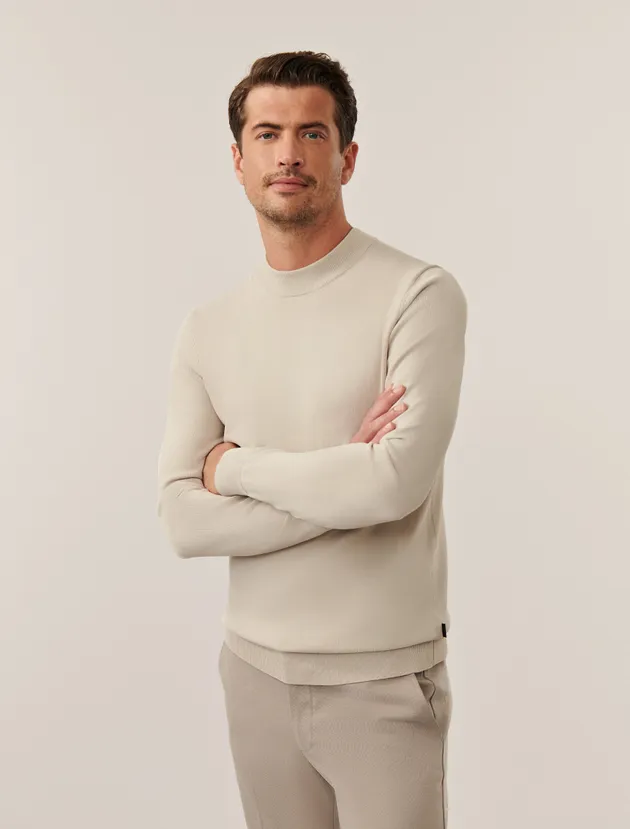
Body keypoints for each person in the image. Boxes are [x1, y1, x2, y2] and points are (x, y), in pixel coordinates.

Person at [157, 50, 467, 829]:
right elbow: (182, 521)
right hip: (253, 674)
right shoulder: (209, 327)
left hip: (383, 683)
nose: (288, 153)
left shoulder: (417, 293)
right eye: (267, 134)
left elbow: (392, 484)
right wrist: (341, 477)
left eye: (311, 133)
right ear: (238, 161)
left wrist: (232, 469)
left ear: (347, 157)